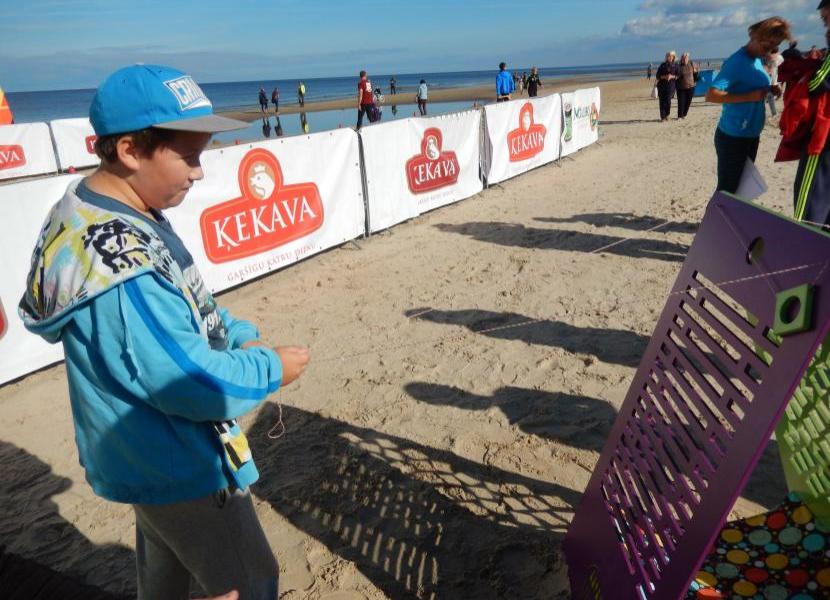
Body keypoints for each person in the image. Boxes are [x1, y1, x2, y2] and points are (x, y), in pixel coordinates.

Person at [18, 64, 312, 600]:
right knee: (248, 581)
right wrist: (271, 369)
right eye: (189, 155)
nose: (198, 172)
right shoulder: (121, 269)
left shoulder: (118, 206)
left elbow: (188, 303)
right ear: (131, 150)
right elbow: (188, 380)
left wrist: (238, 334)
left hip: (147, 458)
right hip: (178, 462)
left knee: (166, 579)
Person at [706, 17, 791, 193]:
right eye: (767, 45)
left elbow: (750, 84)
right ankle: (715, 213)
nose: (770, 51)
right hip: (733, 137)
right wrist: (749, 96)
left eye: (774, 47)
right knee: (727, 191)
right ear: (754, 35)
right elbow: (711, 95)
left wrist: (769, 88)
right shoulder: (737, 62)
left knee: (741, 190)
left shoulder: (757, 59)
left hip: (751, 135)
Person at [778, 1, 830, 226]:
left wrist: (801, 70)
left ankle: (805, 241)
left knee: (808, 202)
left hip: (824, 135)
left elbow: (818, 83)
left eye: (826, 19)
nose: (825, 25)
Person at [656, 51, 679, 122]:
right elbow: (657, 76)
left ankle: (667, 114)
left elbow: (679, 75)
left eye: (670, 56)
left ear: (673, 57)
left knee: (668, 100)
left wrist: (672, 76)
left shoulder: (676, 65)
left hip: (671, 86)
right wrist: (664, 77)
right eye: (668, 56)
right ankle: (663, 117)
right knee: (662, 101)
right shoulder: (662, 65)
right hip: (662, 86)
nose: (669, 57)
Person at [676, 53, 698, 119]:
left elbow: (696, 75)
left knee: (688, 101)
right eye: (683, 58)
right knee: (681, 102)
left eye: (686, 58)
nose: (685, 59)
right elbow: (675, 74)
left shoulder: (691, 63)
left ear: (688, 58)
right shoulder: (678, 65)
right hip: (681, 87)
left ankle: (684, 114)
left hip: (691, 86)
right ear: (681, 58)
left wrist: (696, 72)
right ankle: (680, 116)